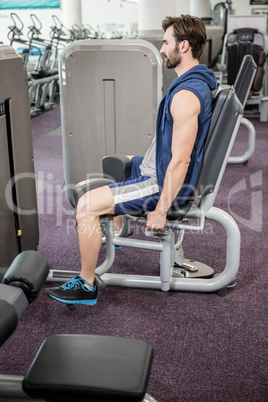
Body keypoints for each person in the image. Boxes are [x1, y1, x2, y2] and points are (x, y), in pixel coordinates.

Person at [45, 15, 217, 306]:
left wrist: (162, 209)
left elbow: (181, 161)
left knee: (85, 205)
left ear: (184, 46)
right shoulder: (193, 81)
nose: (162, 49)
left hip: (160, 181)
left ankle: (86, 285)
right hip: (154, 167)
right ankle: (113, 230)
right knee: (116, 160)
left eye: (166, 43)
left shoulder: (186, 95)